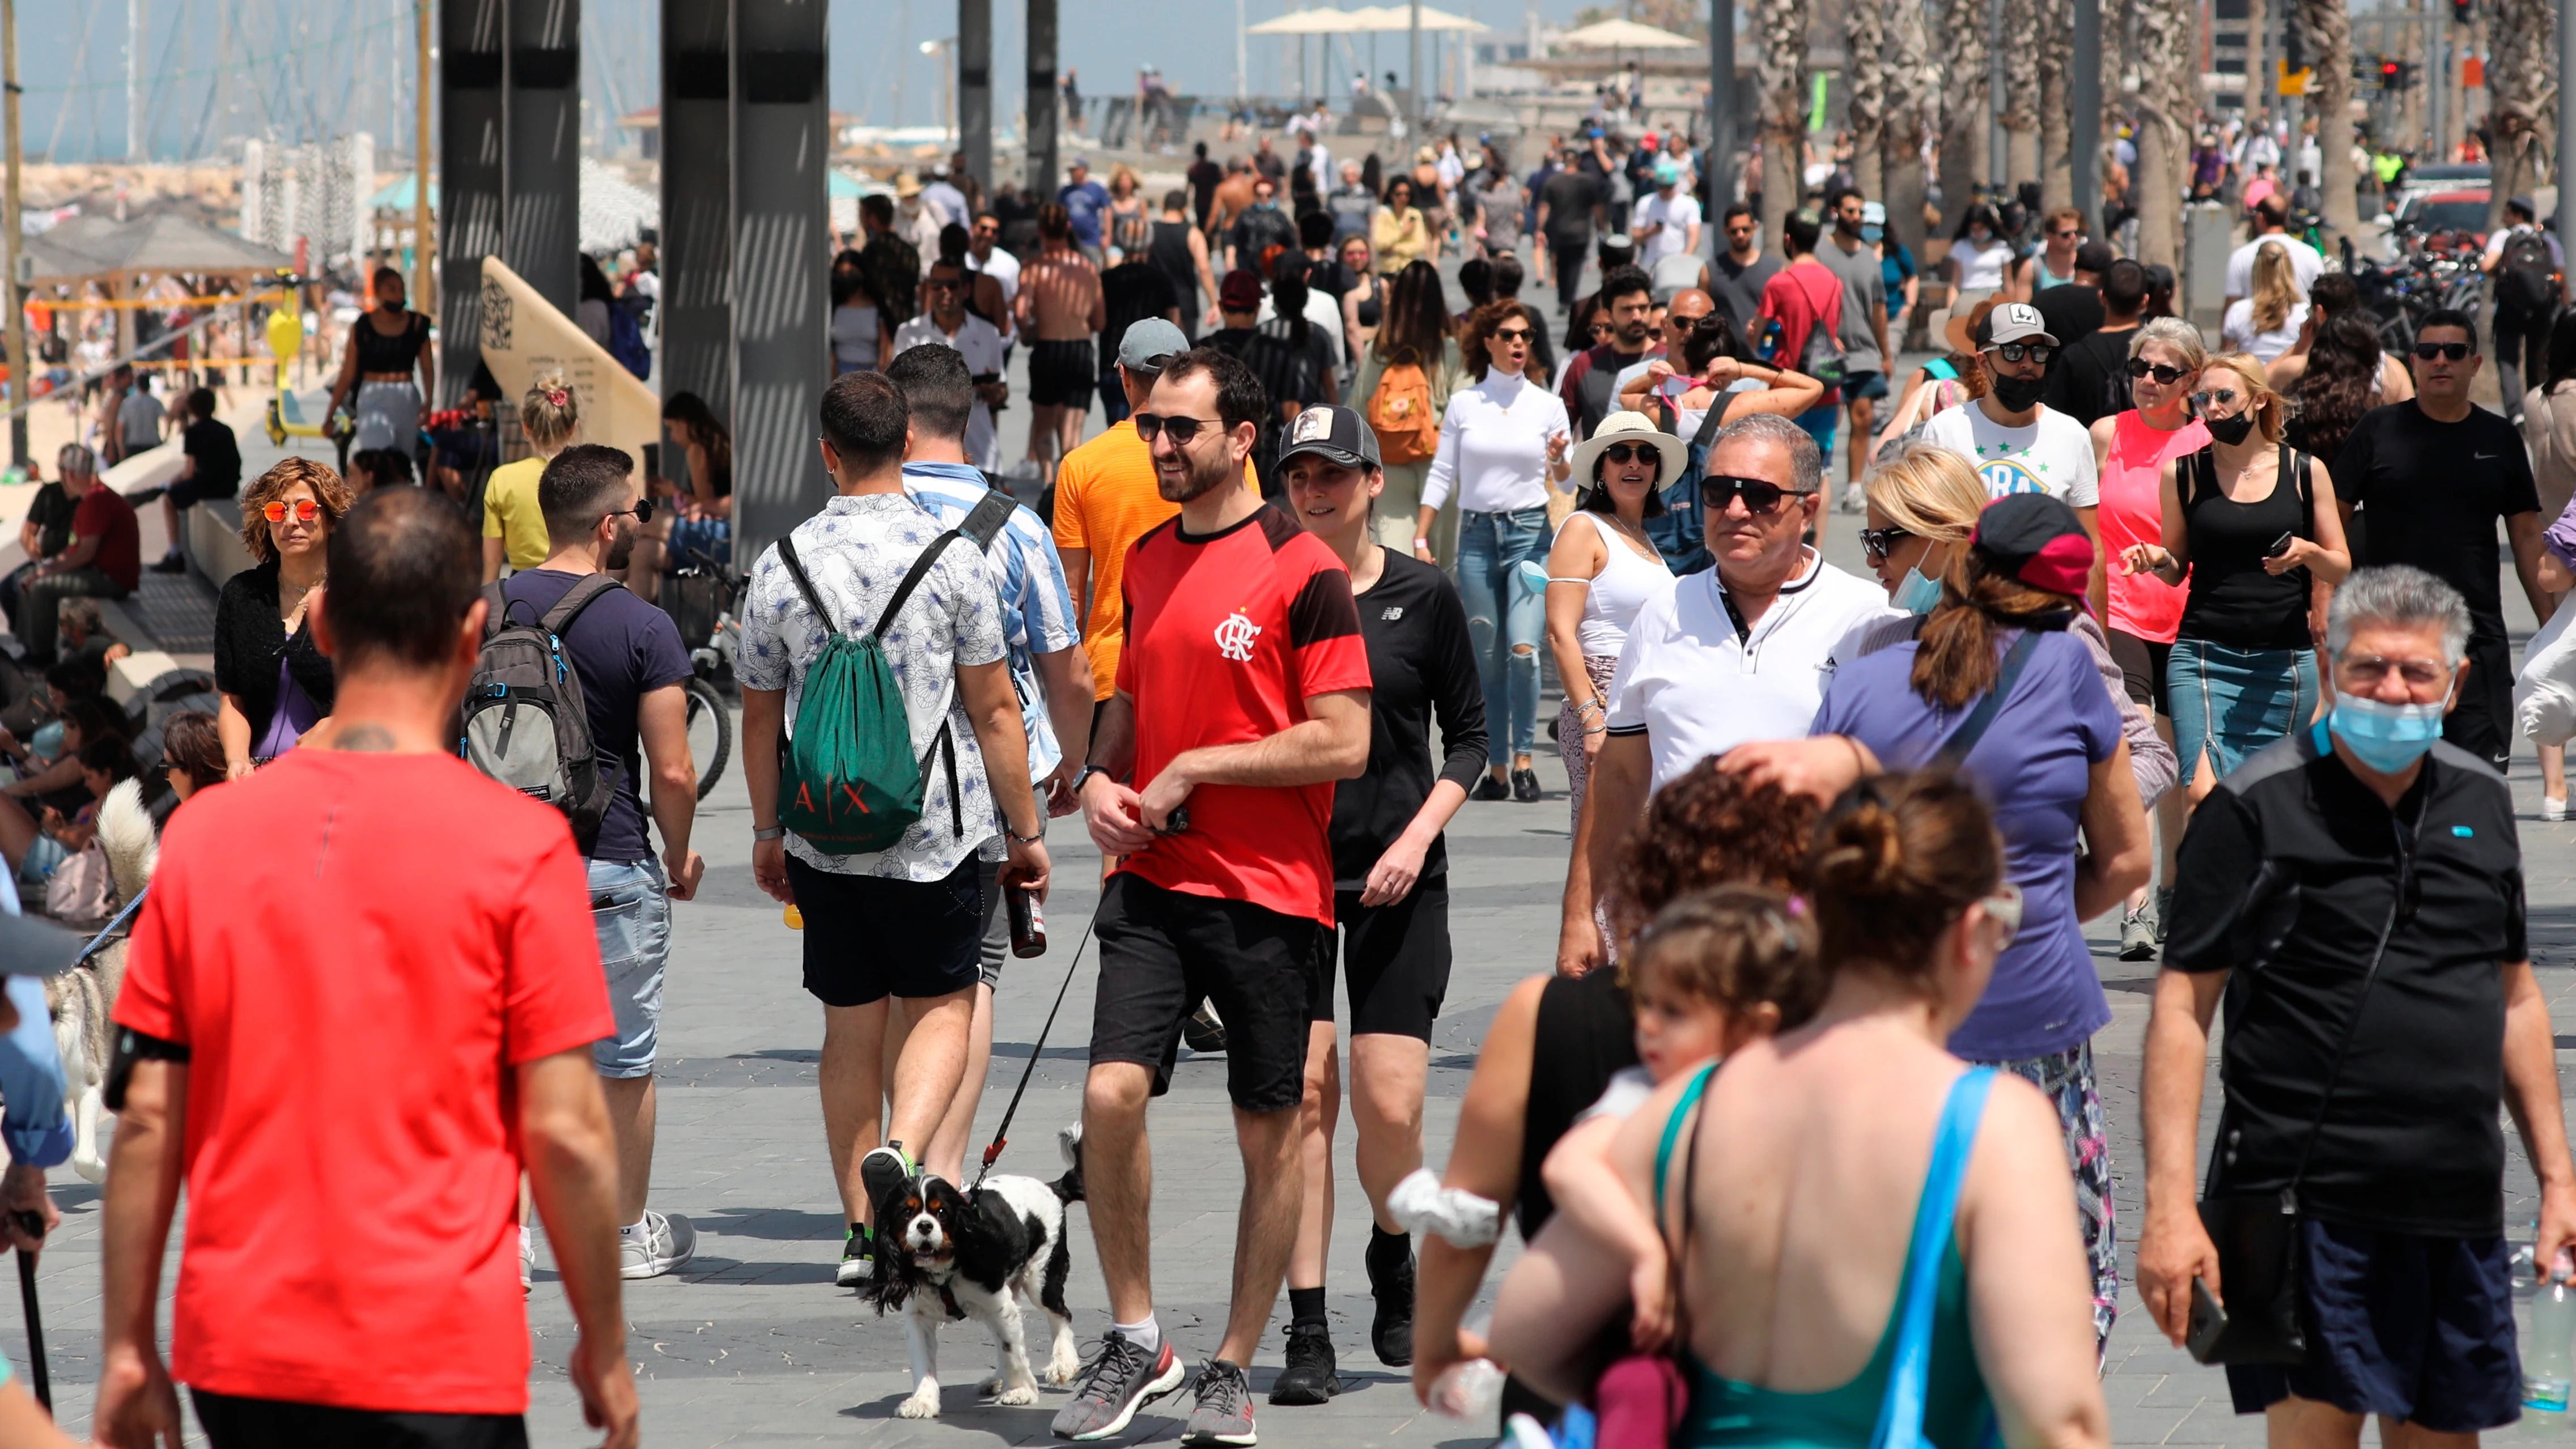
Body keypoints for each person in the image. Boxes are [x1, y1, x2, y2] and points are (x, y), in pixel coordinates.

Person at [92, 487, 639, 1449]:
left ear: (327, 623)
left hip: (243, 1353)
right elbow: (565, 1130)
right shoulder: (522, 846)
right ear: (474, 632)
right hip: (439, 1357)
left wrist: (131, 1346)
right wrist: (602, 1342)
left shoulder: (210, 837)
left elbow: (146, 1117)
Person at [2137, 566, 2571, 1446]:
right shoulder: (2254, 805)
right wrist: (2169, 1207)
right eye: (2368, 668)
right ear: (2330, 669)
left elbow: (2515, 994)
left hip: (2452, 1198)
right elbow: (2183, 1009)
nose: (2392, 690)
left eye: (2417, 673)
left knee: (2445, 1434)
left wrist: (2558, 1180)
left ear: (2455, 686)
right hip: (2300, 1203)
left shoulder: (2482, 802)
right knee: (2313, 1433)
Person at [1055, 347, 1373, 1446]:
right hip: (1151, 878)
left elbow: (1346, 736)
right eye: (1149, 428)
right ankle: (1137, 1338)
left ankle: (1233, 1363)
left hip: (1272, 892)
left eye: (1179, 429)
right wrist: (1101, 776)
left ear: (1243, 437)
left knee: (1269, 1131)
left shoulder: (1303, 568)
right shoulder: (1142, 558)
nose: (1157, 447)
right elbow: (1126, 698)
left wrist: (1202, 768)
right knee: (1107, 1096)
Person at [1598, 772, 2111, 1449]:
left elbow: (1530, 1334)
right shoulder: (1994, 1124)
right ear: (1970, 931)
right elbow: (2059, 1424)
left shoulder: (1690, 1103)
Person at [1756, 490, 2153, 1350]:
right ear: (2056, 601)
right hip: (2034, 1017)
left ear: (1966, 566)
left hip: (1879, 1026)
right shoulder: (2067, 670)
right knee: (2051, 1295)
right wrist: (2028, 914)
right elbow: (2127, 859)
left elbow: (1812, 857)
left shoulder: (1858, 682)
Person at [737, 369, 1049, 1290]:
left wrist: (766, 829)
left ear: (827, 452)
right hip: (939, 835)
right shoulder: (955, 556)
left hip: (824, 836)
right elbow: (995, 711)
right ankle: (907, 1150)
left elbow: (758, 716)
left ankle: (860, 1234)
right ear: (907, 441)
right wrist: (1025, 831)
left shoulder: (780, 562)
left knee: (848, 1028)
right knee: (947, 1004)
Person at [1411, 764, 1817, 1427]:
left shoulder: (1544, 1014)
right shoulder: (1822, 1033)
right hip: (1785, 1389)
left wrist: (1435, 1347)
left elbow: (1468, 1217)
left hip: (1577, 1385)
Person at [1274, 403, 1486, 1404]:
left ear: (1371, 484)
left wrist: (1416, 836)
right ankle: (1307, 1324)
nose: (1313, 492)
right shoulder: (1266, 597)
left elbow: (1473, 739)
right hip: (1288, 883)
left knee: (1388, 1102)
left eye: (1332, 474)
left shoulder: (1423, 594)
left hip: (1401, 877)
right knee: (1307, 1098)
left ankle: (1391, 1247)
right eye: (1297, 475)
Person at [1559, 414, 1887, 974]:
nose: (1735, 510)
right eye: (1718, 492)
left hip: (1816, 941)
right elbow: (1618, 776)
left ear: (1806, 511)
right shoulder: (1663, 611)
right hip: (1674, 935)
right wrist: (1579, 913)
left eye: (1759, 496)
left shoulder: (1866, 618)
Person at [887, 344, 1092, 1187]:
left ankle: (887, 1165)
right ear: (968, 419)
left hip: (862, 782)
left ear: (895, 422)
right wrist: (1068, 763)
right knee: (968, 981)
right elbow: (1063, 669)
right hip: (982, 789)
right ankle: (942, 1171)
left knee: (889, 989)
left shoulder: (852, 516)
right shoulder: (1015, 525)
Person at [502, 443, 706, 1281]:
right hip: (609, 866)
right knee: (622, 1062)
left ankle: (503, 1236)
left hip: (503, 873)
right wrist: (681, 853)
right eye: (638, 513)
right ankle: (624, 1236)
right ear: (609, 523)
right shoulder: (644, 624)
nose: (643, 528)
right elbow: (675, 770)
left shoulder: (488, 610)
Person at [2125, 354, 2351, 806]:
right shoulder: (2183, 473)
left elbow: (2340, 565)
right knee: (2203, 793)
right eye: (2203, 398)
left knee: (2269, 797)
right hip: (2204, 655)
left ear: (2259, 399)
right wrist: (2156, 559)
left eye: (2224, 397)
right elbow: (2176, 568)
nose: (2211, 408)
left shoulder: (2305, 471)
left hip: (2282, 658)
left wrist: (2308, 554)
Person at [2333, 309, 2550, 771]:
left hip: (2476, 639)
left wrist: (2550, 624)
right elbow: (2332, 522)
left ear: (2474, 364)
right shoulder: (2378, 430)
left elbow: (2528, 533)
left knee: (2479, 784)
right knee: (2390, 786)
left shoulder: (2498, 438)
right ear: (2412, 361)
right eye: (2428, 352)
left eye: (2453, 352)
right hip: (2390, 641)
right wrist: (2325, 605)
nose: (2440, 362)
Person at [1053, 321, 1264, 731]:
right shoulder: (1227, 455)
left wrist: (1064, 705)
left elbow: (1070, 602)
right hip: (1209, 662)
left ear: (1123, 376)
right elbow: (1251, 556)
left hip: (1112, 673)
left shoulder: (1081, 465)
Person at [2087, 318, 2210, 954]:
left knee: (2182, 773)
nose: (2148, 382)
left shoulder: (2208, 439)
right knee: (2140, 754)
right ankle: (2135, 908)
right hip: (2122, 615)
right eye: (2140, 368)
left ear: (2192, 378)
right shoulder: (2106, 434)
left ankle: (2170, 892)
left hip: (2192, 615)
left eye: (2165, 372)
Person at [1419, 300, 1569, 805]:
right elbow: (1443, 472)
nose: (1517, 344)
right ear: (1486, 341)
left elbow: (1566, 478)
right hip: (1478, 536)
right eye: (1507, 335)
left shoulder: (1547, 404)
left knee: (1523, 652)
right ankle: (1498, 768)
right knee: (1487, 659)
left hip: (1530, 534)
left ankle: (1525, 760)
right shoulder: (1465, 404)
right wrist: (1421, 535)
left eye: (1525, 335)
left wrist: (1561, 459)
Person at [1545, 412, 1679, 830]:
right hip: (1604, 699)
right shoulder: (1582, 528)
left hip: (1648, 702)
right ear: (1601, 468)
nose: (1633, 464)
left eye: (1645, 455)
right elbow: (1559, 632)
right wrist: (1591, 718)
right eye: (1620, 454)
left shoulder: (1641, 537)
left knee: (1644, 861)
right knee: (1609, 856)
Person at [1920, 303, 2103, 607]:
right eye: (2013, 351)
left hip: (2048, 617)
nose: (2028, 363)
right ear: (1983, 362)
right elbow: (1925, 533)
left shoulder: (2072, 435)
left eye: (2038, 353)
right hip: (1964, 612)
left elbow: (2092, 547)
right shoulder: (1945, 431)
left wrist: (2100, 642)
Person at [213, 458, 346, 778]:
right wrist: (237, 761)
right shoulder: (241, 596)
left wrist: (338, 726)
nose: (290, 521)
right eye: (277, 511)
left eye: (306, 509)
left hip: (332, 778)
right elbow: (232, 698)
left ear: (331, 520)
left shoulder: (360, 600)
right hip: (257, 782)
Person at [1351, 262, 1467, 560]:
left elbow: (1359, 405)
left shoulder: (1380, 348)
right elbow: (1464, 410)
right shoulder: (1451, 349)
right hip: (1439, 465)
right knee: (1441, 560)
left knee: (1396, 557)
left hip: (1387, 461)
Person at [16, 442, 139, 670]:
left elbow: (85, 553)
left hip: (112, 579)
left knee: (41, 587)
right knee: (27, 579)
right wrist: (46, 567)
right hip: (99, 572)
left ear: (71, 473)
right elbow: (76, 549)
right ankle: (30, 646)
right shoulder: (92, 498)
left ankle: (41, 655)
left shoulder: (97, 500)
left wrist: (45, 571)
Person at [894, 255, 1013, 471]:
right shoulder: (908, 334)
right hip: (925, 457)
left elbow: (1002, 390)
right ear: (929, 289)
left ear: (966, 290)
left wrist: (993, 392)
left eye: (952, 285)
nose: (945, 292)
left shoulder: (988, 333)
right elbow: (898, 392)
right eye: (937, 286)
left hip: (982, 454)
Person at [1755, 211, 1849, 482]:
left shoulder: (1780, 283)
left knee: (1785, 468)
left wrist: (1755, 332)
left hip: (1789, 390)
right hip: (1826, 387)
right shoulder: (1835, 282)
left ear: (1788, 239)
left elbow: (1756, 335)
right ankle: (1817, 527)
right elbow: (1835, 332)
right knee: (1821, 469)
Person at [1018, 203, 1107, 479]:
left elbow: (1021, 312)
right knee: (1073, 432)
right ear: (1068, 228)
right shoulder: (1087, 268)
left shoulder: (1034, 268)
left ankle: (1048, 480)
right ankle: (1069, 484)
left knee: (1044, 425)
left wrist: (1029, 330)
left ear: (1042, 231)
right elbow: (1100, 322)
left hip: (1048, 347)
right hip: (1079, 349)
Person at [1818, 189, 1894, 508]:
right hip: (1826, 353)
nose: (1857, 217)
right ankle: (1819, 478)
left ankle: (1853, 488)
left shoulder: (1870, 258)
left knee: (1862, 419)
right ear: (1836, 212)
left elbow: (1878, 309)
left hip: (1863, 352)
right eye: (1850, 211)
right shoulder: (1820, 252)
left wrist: (1885, 353)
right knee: (1827, 421)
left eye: (1861, 212)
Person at [324, 266, 438, 454]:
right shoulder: (363, 326)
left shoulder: (417, 323)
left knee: (403, 460)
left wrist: (429, 401)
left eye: (401, 289)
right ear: (377, 292)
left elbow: (427, 367)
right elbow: (348, 373)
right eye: (391, 289)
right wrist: (330, 414)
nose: (398, 295)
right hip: (372, 396)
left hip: (406, 396)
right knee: (376, 457)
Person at [482, 375, 582, 582]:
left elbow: (492, 562)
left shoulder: (502, 479)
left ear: (526, 428)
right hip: (576, 586)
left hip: (522, 587)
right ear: (573, 428)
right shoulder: (588, 477)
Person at [2482, 194, 2566, 415]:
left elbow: (2487, 265)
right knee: (2537, 360)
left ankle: (2516, 413)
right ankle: (2536, 410)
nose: (2503, 219)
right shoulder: (2547, 240)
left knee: (2508, 360)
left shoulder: (2503, 237)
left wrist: (2501, 273)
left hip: (2509, 309)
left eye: (2507, 214)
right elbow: (2561, 278)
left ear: (2517, 215)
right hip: (2541, 310)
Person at [147, 386, 241, 575]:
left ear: (192, 409)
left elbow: (189, 472)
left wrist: (169, 484)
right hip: (229, 486)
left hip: (207, 485)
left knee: (169, 500)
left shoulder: (193, 432)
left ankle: (175, 554)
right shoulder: (225, 430)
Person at [1556, 266, 1657, 442]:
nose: (1637, 317)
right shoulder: (1584, 365)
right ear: (1609, 313)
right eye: (1627, 309)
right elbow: (1560, 431)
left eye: (1643, 308)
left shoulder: (1671, 362)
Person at [2047, 258, 2150, 427]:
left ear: (2102, 297)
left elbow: (2056, 418)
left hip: (2091, 451)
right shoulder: (2159, 352)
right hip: (2150, 452)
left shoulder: (2075, 356)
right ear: (2145, 302)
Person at [660, 390, 736, 576]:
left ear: (683, 423)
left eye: (671, 428)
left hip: (717, 534)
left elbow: (705, 503)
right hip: (725, 530)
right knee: (643, 551)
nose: (671, 437)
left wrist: (675, 493)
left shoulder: (696, 450)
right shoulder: (719, 442)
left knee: (644, 524)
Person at [2222, 194, 2323, 311]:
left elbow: (2231, 305)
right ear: (2287, 217)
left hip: (2254, 326)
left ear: (2260, 218)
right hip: (2301, 327)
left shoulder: (2240, 257)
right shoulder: (2311, 255)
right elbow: (2320, 301)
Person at [2221, 240, 2310, 366]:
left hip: (2251, 383)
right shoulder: (2306, 313)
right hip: (2292, 383)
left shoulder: (2238, 311)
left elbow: (2226, 360)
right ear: (2289, 269)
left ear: (2257, 270)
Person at [1149, 189, 1219, 342]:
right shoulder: (1193, 234)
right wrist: (1213, 303)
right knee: (1184, 357)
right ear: (1185, 209)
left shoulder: (1150, 230)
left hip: (1154, 300)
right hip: (1185, 303)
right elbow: (1204, 269)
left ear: (1163, 206)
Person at [1535, 153, 1601, 312]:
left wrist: (1539, 229)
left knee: (1561, 264)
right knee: (1575, 265)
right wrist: (1602, 225)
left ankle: (1563, 298)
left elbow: (1544, 207)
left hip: (1558, 230)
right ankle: (1569, 299)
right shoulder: (1588, 181)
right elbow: (1598, 207)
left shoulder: (1553, 181)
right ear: (1578, 161)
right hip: (1580, 231)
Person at [2006, 206, 2089, 300]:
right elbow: (2021, 309)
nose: (2073, 238)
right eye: (2066, 235)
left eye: (2077, 232)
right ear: (2050, 236)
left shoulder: (2088, 263)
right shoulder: (2032, 267)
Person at [830, 252, 892, 376]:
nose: (845, 278)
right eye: (841, 273)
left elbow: (886, 347)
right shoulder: (833, 309)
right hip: (840, 374)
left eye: (850, 273)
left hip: (871, 374)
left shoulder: (877, 309)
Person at [1228, 174, 1301, 278]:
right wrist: (1230, 259)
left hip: (1275, 267)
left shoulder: (1280, 217)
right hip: (1249, 266)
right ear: (1255, 194)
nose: (1264, 198)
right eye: (1260, 194)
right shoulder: (1246, 215)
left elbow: (1291, 241)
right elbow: (1233, 237)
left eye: (1268, 194)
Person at [1945, 203, 2014, 312]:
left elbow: (2008, 282)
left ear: (1989, 226)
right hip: (1967, 297)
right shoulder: (1961, 247)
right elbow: (1955, 282)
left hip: (1995, 296)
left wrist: (2012, 306)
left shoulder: (2001, 247)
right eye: (1974, 229)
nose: (1978, 233)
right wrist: (1950, 309)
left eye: (1981, 229)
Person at [1372, 177, 1436, 277]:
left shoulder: (1414, 215)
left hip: (1408, 268)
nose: (1403, 198)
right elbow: (1379, 242)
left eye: (1407, 194)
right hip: (1387, 268)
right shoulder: (1383, 214)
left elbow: (1419, 245)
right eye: (1399, 194)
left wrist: (1394, 249)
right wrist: (1401, 232)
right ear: (1391, 195)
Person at [1059, 158, 1114, 264]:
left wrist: (1107, 235)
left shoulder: (1096, 189)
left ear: (1083, 170)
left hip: (1092, 240)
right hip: (1071, 240)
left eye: (1075, 170)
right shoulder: (1065, 192)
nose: (1072, 173)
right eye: (1071, 171)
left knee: (1094, 268)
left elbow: (1107, 211)